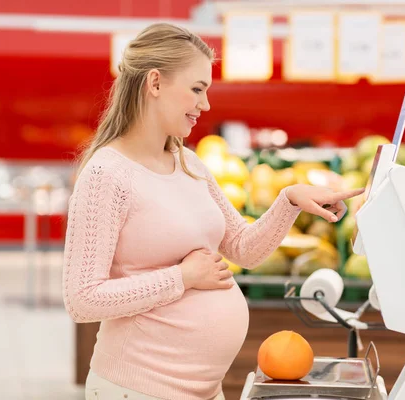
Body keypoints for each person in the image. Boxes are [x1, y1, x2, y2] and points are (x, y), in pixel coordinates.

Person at [63, 23, 364, 400]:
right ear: (154, 83)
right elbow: (83, 299)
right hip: (137, 389)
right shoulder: (107, 175)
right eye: (196, 90)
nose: (205, 105)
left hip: (204, 390)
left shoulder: (189, 163)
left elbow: (243, 248)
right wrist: (183, 277)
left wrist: (288, 200)